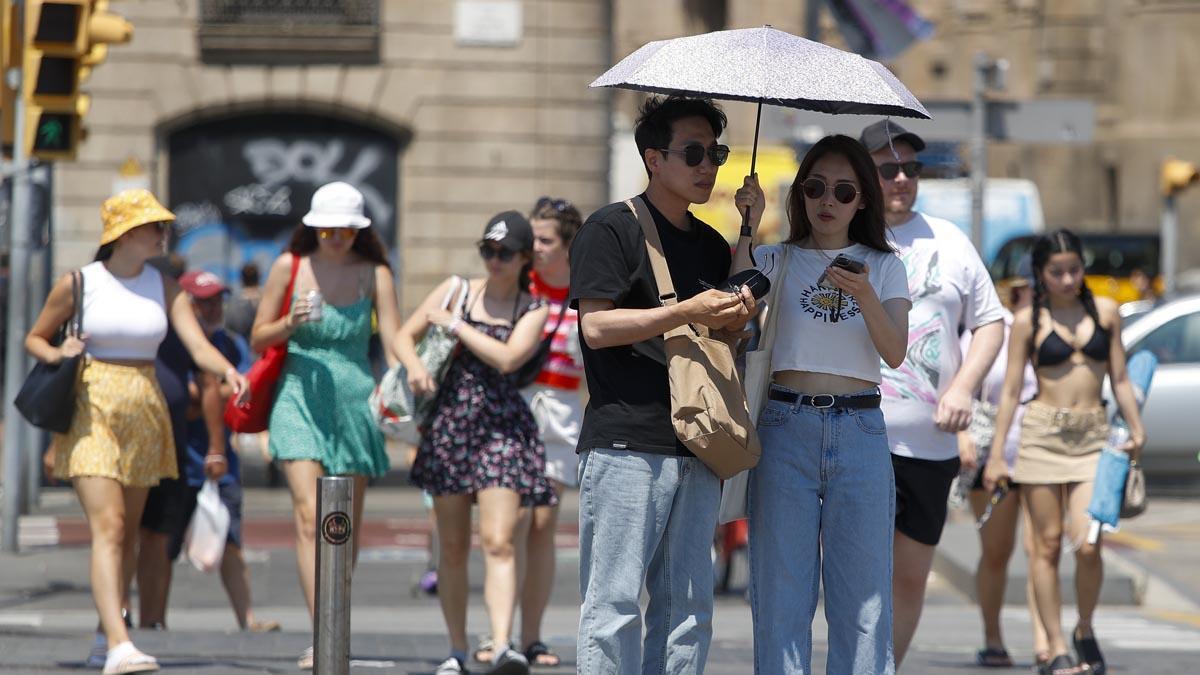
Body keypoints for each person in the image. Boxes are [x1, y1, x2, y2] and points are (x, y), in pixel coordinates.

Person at [24, 189, 249, 675]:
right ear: (124, 233)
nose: (162, 233)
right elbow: (35, 338)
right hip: (92, 405)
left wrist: (229, 371)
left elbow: (196, 344)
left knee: (128, 536)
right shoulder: (79, 283)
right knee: (110, 527)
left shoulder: (166, 286)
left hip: (145, 410)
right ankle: (122, 643)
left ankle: (108, 633)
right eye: (153, 226)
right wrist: (58, 353)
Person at [569, 95, 754, 674]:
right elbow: (596, 326)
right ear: (654, 157)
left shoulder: (709, 242)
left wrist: (748, 231)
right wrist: (683, 311)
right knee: (615, 605)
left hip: (697, 441)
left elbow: (724, 331)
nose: (709, 166)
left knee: (689, 607)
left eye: (716, 153)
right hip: (626, 442)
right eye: (694, 153)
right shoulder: (611, 228)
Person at [730, 135, 910, 674]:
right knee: (781, 596)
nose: (827, 200)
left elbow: (895, 352)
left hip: (859, 428)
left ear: (862, 201)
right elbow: (734, 312)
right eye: (815, 187)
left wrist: (865, 297)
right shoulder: (776, 257)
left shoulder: (883, 266)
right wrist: (747, 222)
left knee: (864, 600)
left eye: (843, 190)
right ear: (800, 195)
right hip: (786, 424)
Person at [858, 118, 1006, 668]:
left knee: (911, 580)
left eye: (911, 168)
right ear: (864, 174)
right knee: (854, 576)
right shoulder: (844, 236)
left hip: (931, 447)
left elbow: (991, 322)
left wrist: (965, 388)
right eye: (887, 168)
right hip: (856, 435)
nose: (901, 178)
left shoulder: (950, 240)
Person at [250, 181, 401, 670]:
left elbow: (395, 337)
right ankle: (324, 634)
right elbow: (257, 338)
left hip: (355, 401)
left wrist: (414, 372)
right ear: (312, 228)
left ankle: (335, 621)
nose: (336, 238)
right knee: (308, 512)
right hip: (298, 395)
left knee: (342, 528)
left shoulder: (374, 272)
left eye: (346, 230)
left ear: (360, 232)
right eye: (327, 229)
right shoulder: (288, 267)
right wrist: (290, 322)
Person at [985, 229, 1147, 675]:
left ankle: (1084, 628)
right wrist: (998, 455)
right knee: (1047, 545)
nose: (1068, 278)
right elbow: (1012, 390)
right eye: (1057, 271)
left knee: (1089, 541)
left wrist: (1136, 426)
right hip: (1041, 436)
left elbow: (1121, 377)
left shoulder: (1107, 312)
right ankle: (1055, 645)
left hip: (1093, 437)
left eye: (1074, 268)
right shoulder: (1026, 321)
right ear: (1040, 274)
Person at [400, 210, 553, 675]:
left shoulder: (534, 308)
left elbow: (508, 359)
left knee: (500, 540)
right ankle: (456, 648)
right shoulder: (456, 290)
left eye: (504, 253)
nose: (494, 260)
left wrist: (456, 325)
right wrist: (414, 367)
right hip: (451, 426)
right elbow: (405, 336)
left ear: (525, 258)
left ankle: (504, 644)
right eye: (487, 250)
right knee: (451, 547)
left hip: (503, 430)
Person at [141, 269, 278, 633]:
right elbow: (184, 400)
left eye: (218, 299)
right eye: (203, 300)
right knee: (162, 543)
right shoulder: (172, 346)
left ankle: (246, 619)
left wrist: (212, 393)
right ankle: (153, 618)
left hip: (222, 463)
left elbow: (244, 389)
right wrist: (216, 391)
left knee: (231, 540)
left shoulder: (229, 344)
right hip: (179, 459)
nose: (213, 306)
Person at [957, 258, 1049, 668]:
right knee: (997, 551)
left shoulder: (1054, 332)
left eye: (1033, 289)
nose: (1027, 296)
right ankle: (993, 637)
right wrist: (962, 436)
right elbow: (959, 385)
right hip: (993, 453)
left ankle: (1047, 640)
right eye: (1020, 289)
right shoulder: (989, 333)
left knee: (1042, 549)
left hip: (1044, 450)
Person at [517, 196, 585, 668]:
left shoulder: (588, 291)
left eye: (544, 239)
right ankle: (500, 630)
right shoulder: (519, 284)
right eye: (533, 237)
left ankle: (531, 636)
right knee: (510, 525)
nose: (533, 247)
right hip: (514, 407)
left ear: (567, 245)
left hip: (560, 412)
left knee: (542, 525)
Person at [225, 262, 263, 340]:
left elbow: (229, 327)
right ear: (259, 277)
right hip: (262, 346)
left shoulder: (233, 301)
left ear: (241, 278)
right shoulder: (267, 299)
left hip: (240, 347)